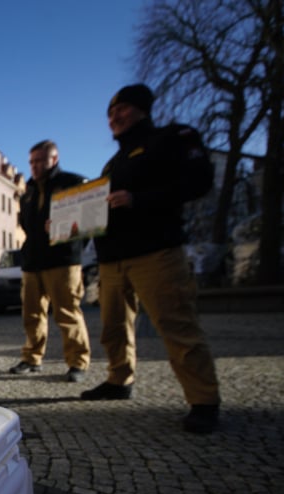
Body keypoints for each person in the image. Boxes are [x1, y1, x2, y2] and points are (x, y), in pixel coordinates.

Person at [81, 84, 221, 434]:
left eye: (122, 109)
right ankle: (119, 379)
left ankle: (203, 400)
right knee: (113, 327)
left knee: (176, 323)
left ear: (142, 109)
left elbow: (199, 181)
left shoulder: (171, 138)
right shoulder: (113, 162)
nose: (115, 117)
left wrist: (139, 199)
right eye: (111, 113)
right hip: (112, 259)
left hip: (155, 251)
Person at [10, 140, 91, 382]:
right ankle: (32, 358)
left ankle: (78, 362)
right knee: (32, 315)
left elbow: (90, 218)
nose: (34, 166)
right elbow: (26, 226)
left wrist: (66, 232)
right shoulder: (28, 192)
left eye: (39, 161)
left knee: (67, 313)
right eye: (31, 162)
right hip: (33, 262)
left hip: (63, 260)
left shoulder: (73, 183)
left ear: (53, 159)